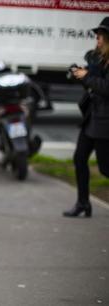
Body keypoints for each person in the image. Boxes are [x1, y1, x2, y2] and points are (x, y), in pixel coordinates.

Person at [63, 17, 109, 218]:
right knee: (79, 159)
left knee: (106, 168)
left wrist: (87, 77)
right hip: (93, 117)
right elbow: (93, 86)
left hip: (105, 122)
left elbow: (106, 88)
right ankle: (83, 203)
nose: (97, 40)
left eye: (100, 36)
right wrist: (80, 75)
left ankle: (84, 203)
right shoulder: (99, 59)